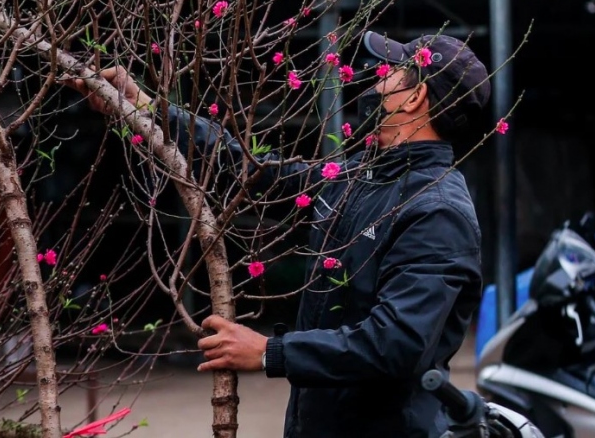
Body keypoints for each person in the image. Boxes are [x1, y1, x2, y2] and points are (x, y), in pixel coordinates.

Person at [69, 31, 491, 438]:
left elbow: (396, 343)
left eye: (393, 72)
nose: (378, 80)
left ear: (416, 96)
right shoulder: (358, 176)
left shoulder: (436, 212)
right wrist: (147, 107)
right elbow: (252, 173)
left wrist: (271, 352)